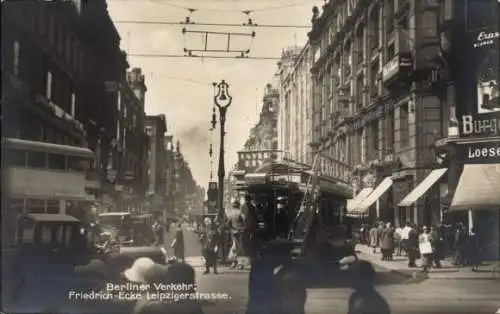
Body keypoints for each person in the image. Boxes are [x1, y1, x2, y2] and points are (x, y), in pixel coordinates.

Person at [228, 200, 246, 269]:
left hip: (234, 232)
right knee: (240, 248)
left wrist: (232, 229)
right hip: (240, 232)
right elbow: (245, 223)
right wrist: (242, 229)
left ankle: (235, 263)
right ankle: (240, 264)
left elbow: (228, 224)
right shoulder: (241, 213)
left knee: (235, 247)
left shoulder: (231, 214)